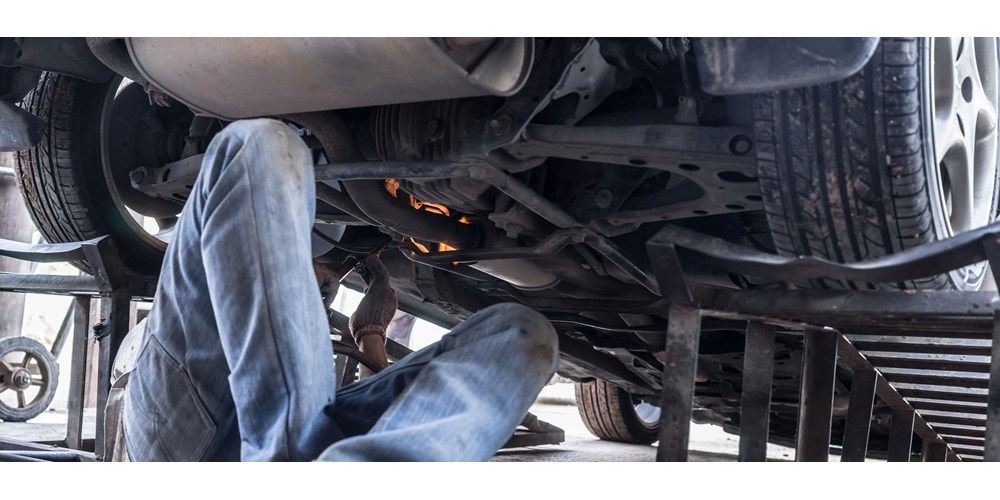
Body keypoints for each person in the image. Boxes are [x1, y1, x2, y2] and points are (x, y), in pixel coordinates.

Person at [119, 119, 558, 461]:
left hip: (243, 437)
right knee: (258, 146)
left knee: (522, 333)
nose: (318, 291)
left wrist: (370, 334)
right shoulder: (220, 298)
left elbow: (370, 407)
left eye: (322, 288)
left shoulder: (271, 337)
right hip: (179, 427)